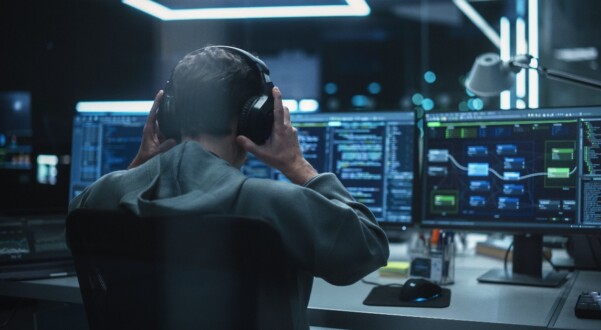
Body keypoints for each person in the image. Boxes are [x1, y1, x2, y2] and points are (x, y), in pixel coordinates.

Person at [69, 45, 390, 328]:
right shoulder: (271, 205)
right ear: (257, 118)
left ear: (169, 115)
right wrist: (297, 165)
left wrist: (140, 163)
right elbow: (368, 249)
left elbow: (75, 228)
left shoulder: (101, 197)